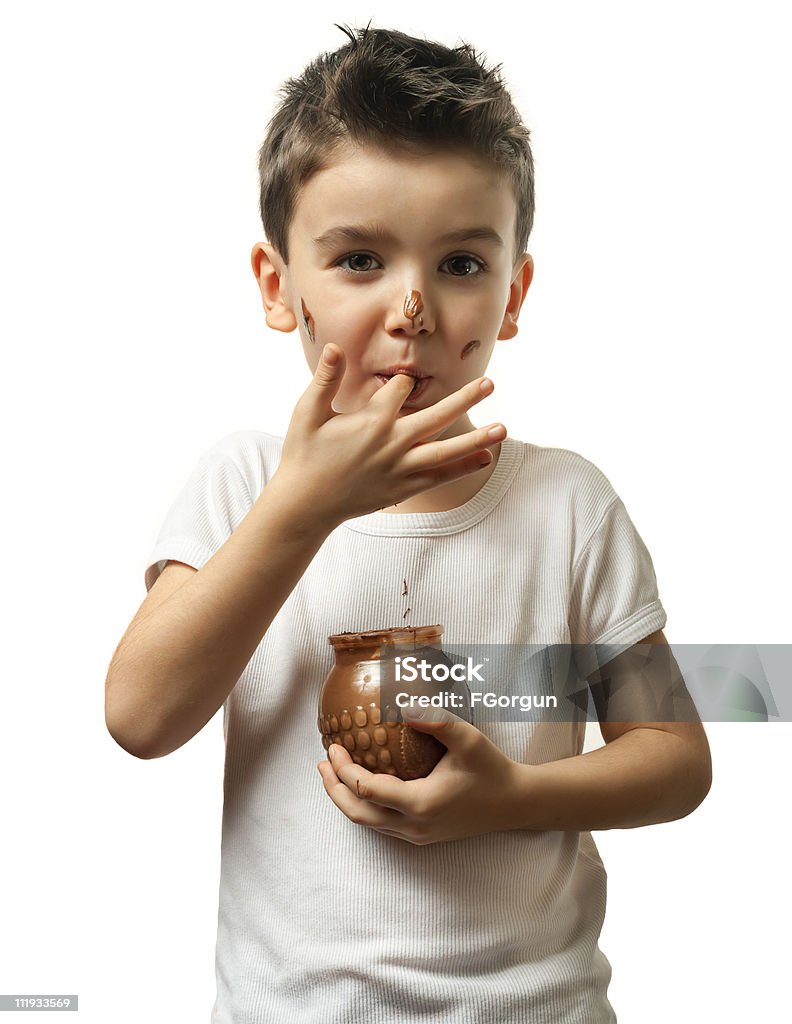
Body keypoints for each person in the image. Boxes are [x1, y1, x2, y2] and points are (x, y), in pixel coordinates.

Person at [105, 25, 712, 1023]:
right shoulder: (244, 484)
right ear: (277, 284)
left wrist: (510, 798)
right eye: (357, 259)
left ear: (513, 294)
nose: (413, 307)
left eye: (462, 262)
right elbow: (140, 717)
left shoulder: (568, 506)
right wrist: (303, 509)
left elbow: (676, 756)